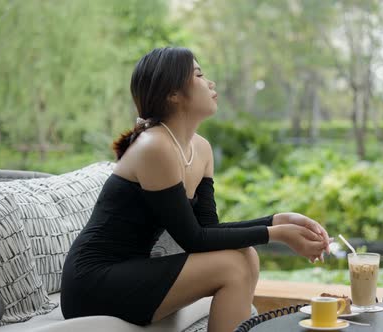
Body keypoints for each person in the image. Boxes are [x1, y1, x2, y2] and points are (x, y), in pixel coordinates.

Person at [60, 46, 331, 332]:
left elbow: (208, 229)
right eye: (199, 75)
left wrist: (277, 220)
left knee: (245, 254)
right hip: (94, 282)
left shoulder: (200, 149)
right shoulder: (155, 146)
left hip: (132, 272)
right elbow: (193, 239)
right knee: (233, 265)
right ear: (173, 94)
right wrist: (275, 234)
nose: (210, 83)